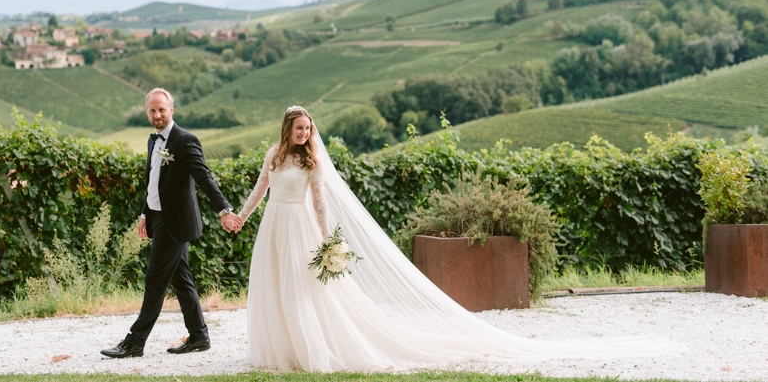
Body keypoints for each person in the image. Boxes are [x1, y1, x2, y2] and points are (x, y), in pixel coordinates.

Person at [232, 105, 687, 372]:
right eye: (300, 129)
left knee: (302, 291)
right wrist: (241, 217)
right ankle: (280, 351)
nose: (306, 134)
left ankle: (312, 350)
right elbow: (258, 192)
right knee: (274, 286)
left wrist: (327, 239)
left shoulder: (313, 164)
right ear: (287, 131)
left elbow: (320, 204)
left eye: (309, 129)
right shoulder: (274, 156)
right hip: (274, 225)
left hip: (302, 229)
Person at [101, 88, 242, 359]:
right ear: (147, 112)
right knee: (182, 280)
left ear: (172, 110)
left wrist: (224, 209)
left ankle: (134, 342)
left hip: (176, 222)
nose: (157, 115)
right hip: (159, 218)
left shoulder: (185, 140)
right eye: (152, 110)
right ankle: (199, 336)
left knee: (155, 279)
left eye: (162, 110)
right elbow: (153, 183)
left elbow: (204, 178)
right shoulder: (152, 142)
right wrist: (146, 214)